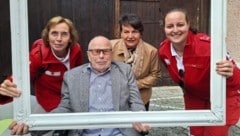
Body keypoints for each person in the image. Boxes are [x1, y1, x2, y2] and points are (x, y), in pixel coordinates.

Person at [9, 35, 151, 136]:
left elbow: (136, 102)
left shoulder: (124, 71)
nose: (101, 56)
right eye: (96, 52)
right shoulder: (72, 76)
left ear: (111, 53)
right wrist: (33, 125)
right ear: (89, 55)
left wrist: (141, 117)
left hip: (119, 132)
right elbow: (65, 108)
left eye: (105, 51)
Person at [158, 8, 240, 136]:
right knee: (196, 133)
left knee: (214, 134)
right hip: (195, 98)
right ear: (164, 29)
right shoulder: (164, 51)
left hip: (221, 98)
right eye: (170, 26)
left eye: (180, 25)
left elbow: (237, 78)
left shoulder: (209, 46)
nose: (175, 30)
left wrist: (231, 73)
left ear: (188, 25)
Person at [0, 16, 83, 113]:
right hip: (49, 105)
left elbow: (78, 76)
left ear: (70, 38)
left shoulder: (76, 50)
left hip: (71, 101)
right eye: (54, 33)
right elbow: (20, 78)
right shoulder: (37, 56)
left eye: (64, 34)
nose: (59, 39)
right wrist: (4, 90)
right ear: (47, 37)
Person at [111, 13, 161, 111]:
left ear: (140, 33)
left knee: (139, 125)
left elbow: (155, 75)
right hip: (114, 98)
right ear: (120, 33)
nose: (130, 36)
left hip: (141, 98)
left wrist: (135, 84)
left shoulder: (151, 51)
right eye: (126, 32)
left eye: (134, 32)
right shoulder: (109, 47)